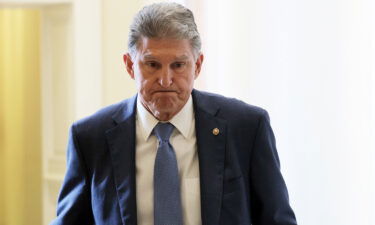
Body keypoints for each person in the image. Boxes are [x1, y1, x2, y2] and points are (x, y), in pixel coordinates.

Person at [51, 2, 297, 225]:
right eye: (152, 65)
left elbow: (277, 219)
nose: (165, 79)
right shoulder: (90, 138)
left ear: (197, 65)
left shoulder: (247, 127)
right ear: (129, 65)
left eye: (178, 65)